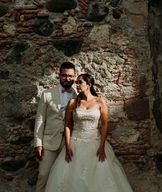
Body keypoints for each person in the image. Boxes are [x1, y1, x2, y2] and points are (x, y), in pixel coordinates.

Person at [45, 73, 133, 192]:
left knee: (101, 178)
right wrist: (67, 145)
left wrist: (102, 146)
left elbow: (105, 124)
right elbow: (67, 125)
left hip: (95, 143)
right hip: (75, 143)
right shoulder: (73, 103)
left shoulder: (100, 102)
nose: (77, 85)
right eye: (76, 82)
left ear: (89, 84)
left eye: (80, 82)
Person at [33, 61, 77, 192]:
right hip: (49, 142)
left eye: (70, 76)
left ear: (74, 76)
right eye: (64, 75)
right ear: (59, 75)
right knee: (44, 176)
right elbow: (40, 119)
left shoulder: (78, 96)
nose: (67, 78)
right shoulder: (47, 94)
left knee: (65, 178)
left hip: (70, 144)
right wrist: (38, 143)